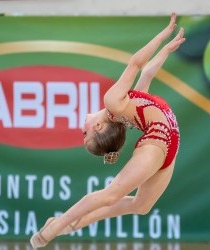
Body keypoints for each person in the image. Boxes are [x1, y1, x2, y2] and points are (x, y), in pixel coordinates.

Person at [30, 13, 185, 248]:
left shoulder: (122, 109)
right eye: (85, 133)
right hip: (160, 141)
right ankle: (56, 227)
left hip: (168, 143)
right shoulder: (115, 103)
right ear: (99, 127)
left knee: (142, 207)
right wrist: (162, 36)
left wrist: (165, 48)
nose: (81, 129)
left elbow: (145, 72)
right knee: (112, 194)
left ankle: (74, 223)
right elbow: (135, 63)